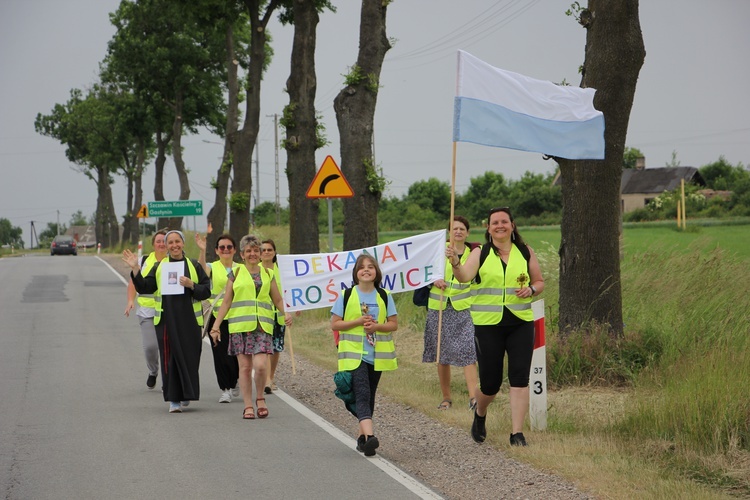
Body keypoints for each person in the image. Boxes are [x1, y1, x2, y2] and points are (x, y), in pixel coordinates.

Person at [447, 207, 544, 447]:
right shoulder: (481, 252)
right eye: (495, 223)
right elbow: (464, 277)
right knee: (490, 384)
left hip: (520, 322)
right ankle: (480, 414)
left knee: (520, 378)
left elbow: (539, 281)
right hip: (488, 325)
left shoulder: (525, 251)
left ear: (512, 225)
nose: (500, 226)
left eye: (504, 222)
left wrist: (531, 290)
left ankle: (517, 433)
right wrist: (456, 263)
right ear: (489, 228)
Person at [123, 230, 211, 414]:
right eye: (170, 242)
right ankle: (174, 399)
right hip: (166, 320)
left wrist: (191, 285)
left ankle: (187, 393)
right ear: (166, 245)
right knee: (169, 359)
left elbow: (206, 291)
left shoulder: (193, 265)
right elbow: (145, 287)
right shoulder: (159, 266)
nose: (174, 245)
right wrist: (135, 269)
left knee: (189, 357)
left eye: (177, 241)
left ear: (183, 244)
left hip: (190, 321)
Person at [210, 235, 292, 420]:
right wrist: (216, 326)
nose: (253, 254)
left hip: (262, 326)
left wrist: (285, 312)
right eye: (249, 251)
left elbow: (277, 299)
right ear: (242, 254)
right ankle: (248, 405)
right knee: (245, 367)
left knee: (261, 365)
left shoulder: (268, 274)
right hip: (240, 326)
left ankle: (260, 397)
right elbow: (226, 302)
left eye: (256, 250)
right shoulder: (236, 274)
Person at [330, 254, 398, 457]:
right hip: (353, 355)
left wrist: (377, 326)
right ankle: (370, 437)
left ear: (376, 272)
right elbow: (335, 323)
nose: (366, 270)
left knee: (369, 396)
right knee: (362, 393)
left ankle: (362, 439)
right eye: (362, 267)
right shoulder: (347, 295)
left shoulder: (384, 295)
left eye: (370, 267)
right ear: (356, 273)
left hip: (377, 355)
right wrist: (358, 322)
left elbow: (393, 324)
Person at [423, 216, 478, 411]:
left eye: (462, 228)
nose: (458, 231)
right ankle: (446, 398)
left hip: (462, 308)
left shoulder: (474, 252)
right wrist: (434, 280)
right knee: (442, 354)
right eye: (454, 228)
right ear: (449, 232)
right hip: (439, 307)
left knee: (468, 351)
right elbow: (425, 271)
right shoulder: (439, 250)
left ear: (468, 232)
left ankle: (474, 397)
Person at [196, 232, 241, 403]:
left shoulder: (240, 269)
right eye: (222, 247)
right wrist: (202, 250)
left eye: (229, 247)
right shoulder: (212, 267)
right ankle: (226, 389)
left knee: (237, 354)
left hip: (237, 317)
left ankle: (235, 379)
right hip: (216, 318)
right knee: (221, 355)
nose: (226, 250)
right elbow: (201, 271)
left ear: (235, 250)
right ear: (216, 250)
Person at [124, 230, 167, 391]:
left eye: (164, 241)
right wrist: (130, 301)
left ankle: (167, 379)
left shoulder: (173, 262)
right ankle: (153, 371)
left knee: (166, 347)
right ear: (154, 244)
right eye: (158, 241)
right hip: (147, 311)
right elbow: (133, 283)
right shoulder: (144, 261)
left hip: (167, 311)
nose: (162, 244)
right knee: (150, 347)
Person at [260, 239, 285, 394]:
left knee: (276, 348)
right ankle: (267, 380)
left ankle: (271, 376)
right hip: (263, 314)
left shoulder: (281, 270)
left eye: (270, 249)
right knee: (266, 347)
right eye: (263, 250)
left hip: (279, 315)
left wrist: (294, 308)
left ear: (274, 252)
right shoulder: (256, 270)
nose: (267, 252)